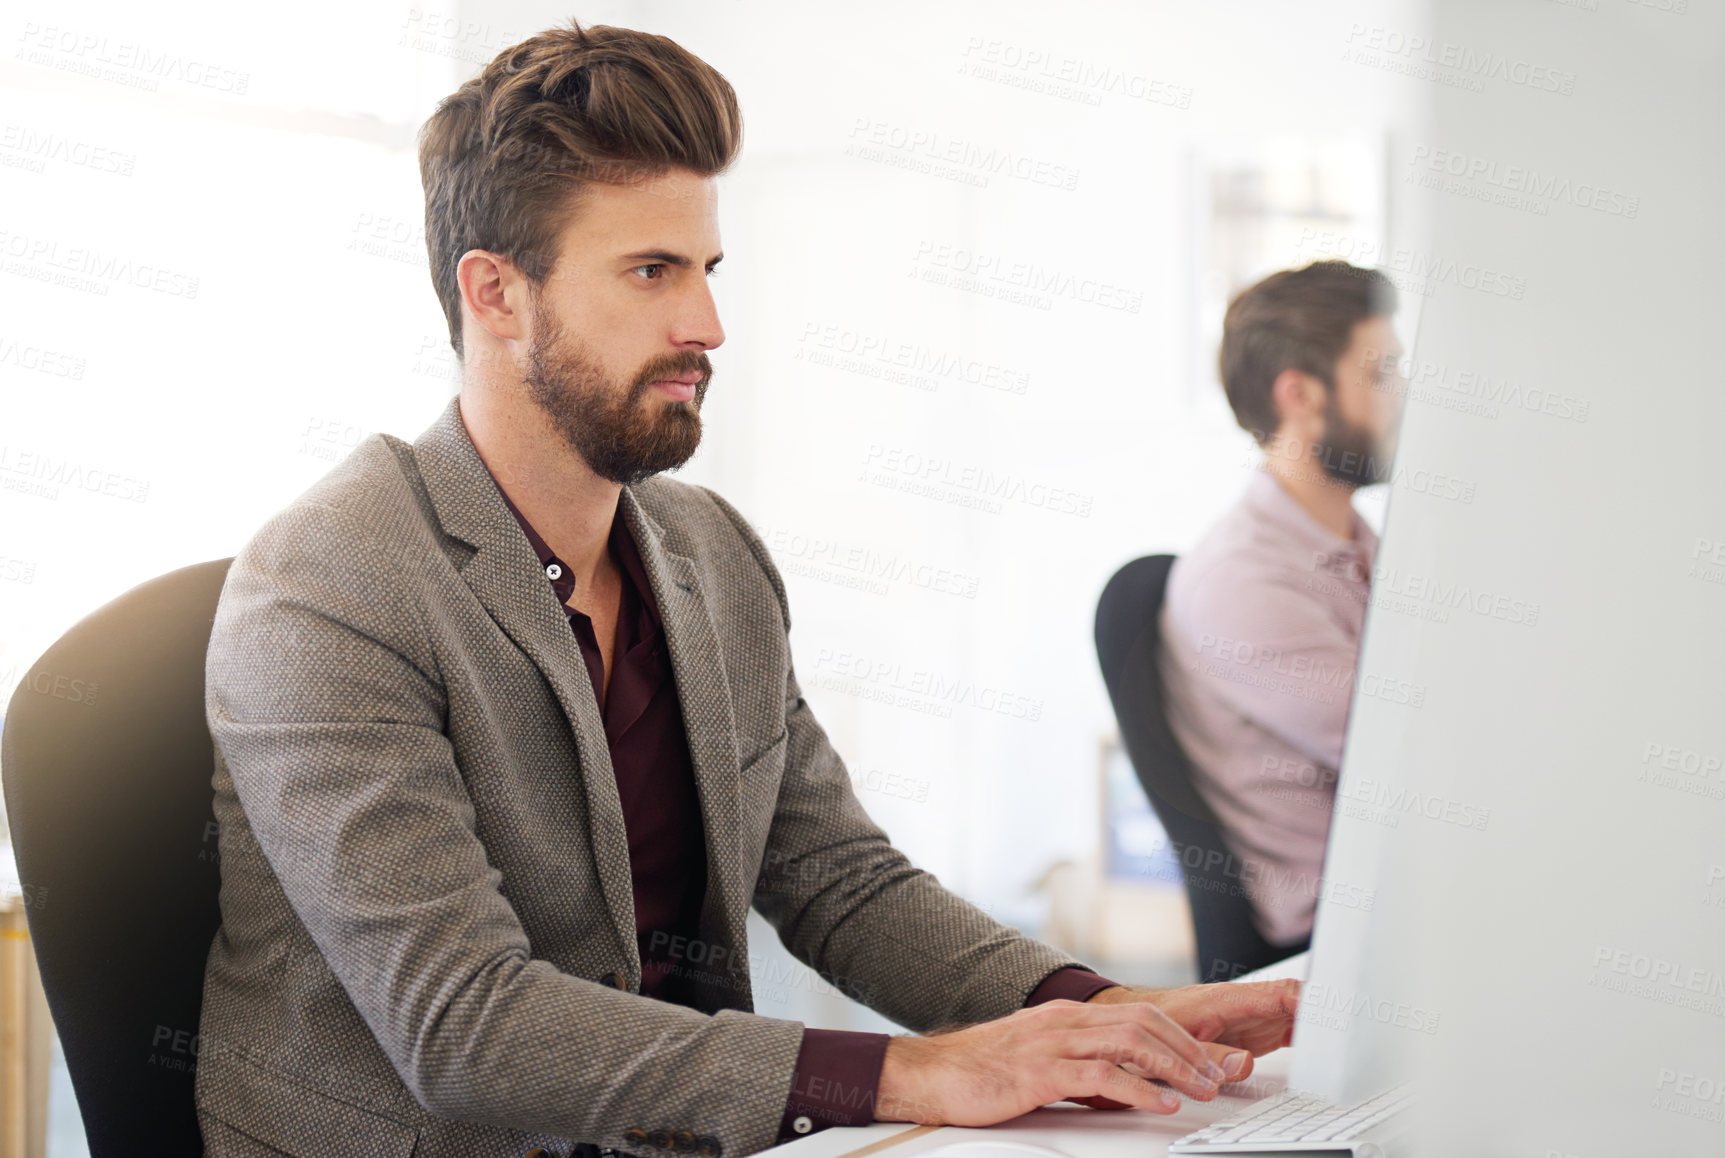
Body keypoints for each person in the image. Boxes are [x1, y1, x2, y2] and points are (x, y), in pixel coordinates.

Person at [195, 21, 1299, 1158]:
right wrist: (912, 1073)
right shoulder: (330, 587)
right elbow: (464, 1028)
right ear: (496, 295)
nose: (707, 326)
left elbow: (836, 878)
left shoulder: (706, 550)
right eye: (649, 272)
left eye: (706, 271)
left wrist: (1093, 1015)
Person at [1157, 261, 1403, 972]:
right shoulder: (1242, 577)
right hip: (1344, 931)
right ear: (1299, 394)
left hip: (1405, 888)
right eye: (1381, 373)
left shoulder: (1352, 543)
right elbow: (1406, 761)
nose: (1404, 396)